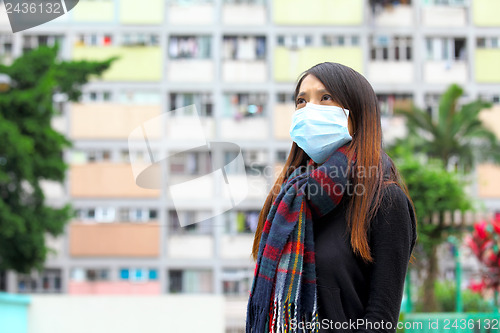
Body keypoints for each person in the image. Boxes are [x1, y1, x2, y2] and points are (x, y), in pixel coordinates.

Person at [246, 62, 418, 333]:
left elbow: (381, 320)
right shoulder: (288, 200)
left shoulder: (384, 201)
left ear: (357, 112)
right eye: (301, 101)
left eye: (325, 98)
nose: (309, 108)